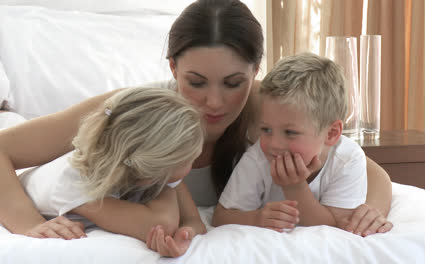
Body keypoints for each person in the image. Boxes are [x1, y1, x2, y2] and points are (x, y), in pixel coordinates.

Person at [0, 0, 391, 250]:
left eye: (234, 83)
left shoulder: (271, 115)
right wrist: (29, 226)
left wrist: (367, 212)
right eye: (196, 83)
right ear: (173, 67)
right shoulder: (131, 114)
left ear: (256, 71)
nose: (215, 102)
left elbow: (368, 169)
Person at [15, 87, 206, 256]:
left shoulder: (157, 172)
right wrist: (168, 193)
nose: (193, 163)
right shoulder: (77, 183)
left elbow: (193, 221)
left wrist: (186, 234)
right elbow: (160, 225)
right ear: (154, 170)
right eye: (190, 159)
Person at [213, 52, 371, 232]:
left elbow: (336, 227)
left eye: (290, 132)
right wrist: (256, 218)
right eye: (266, 130)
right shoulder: (258, 158)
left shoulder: (348, 159)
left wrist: (295, 187)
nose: (274, 144)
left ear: (331, 134)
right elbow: (221, 216)